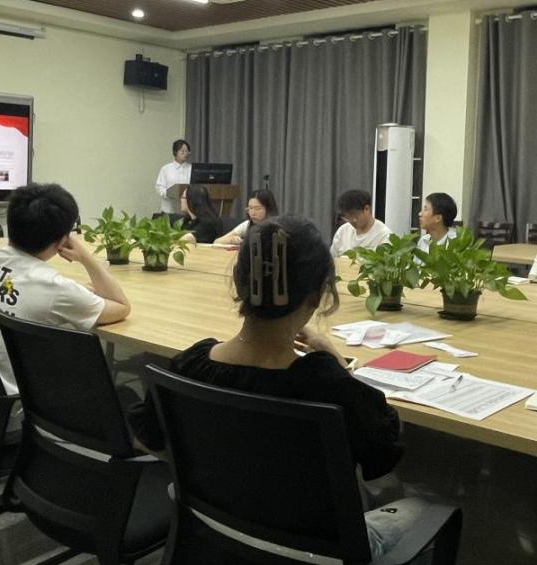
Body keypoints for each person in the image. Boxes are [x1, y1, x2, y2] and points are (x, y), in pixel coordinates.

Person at [128, 215, 430, 558]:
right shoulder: (326, 384)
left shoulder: (191, 364)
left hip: (216, 537)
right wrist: (336, 360)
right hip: (318, 552)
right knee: (423, 506)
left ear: (240, 284)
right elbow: (383, 453)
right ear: (318, 294)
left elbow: (146, 435)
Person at [0, 182, 131, 395]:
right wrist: (86, 258)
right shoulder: (51, 286)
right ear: (63, 239)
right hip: (14, 401)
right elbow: (121, 306)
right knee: (126, 394)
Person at [330, 189, 393, 258]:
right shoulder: (343, 231)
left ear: (367, 209)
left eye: (355, 215)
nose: (353, 220)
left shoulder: (384, 236)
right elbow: (332, 259)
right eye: (348, 217)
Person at [214, 188, 278, 245]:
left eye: (257, 208)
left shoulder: (277, 227)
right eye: (250, 208)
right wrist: (230, 240)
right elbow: (217, 241)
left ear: (269, 209)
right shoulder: (247, 225)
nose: (253, 213)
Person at [155, 139, 192, 214]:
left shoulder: (191, 168)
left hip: (187, 209)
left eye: (187, 151)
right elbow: (159, 187)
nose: (185, 153)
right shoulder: (166, 169)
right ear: (175, 152)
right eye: (182, 151)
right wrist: (169, 194)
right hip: (169, 208)